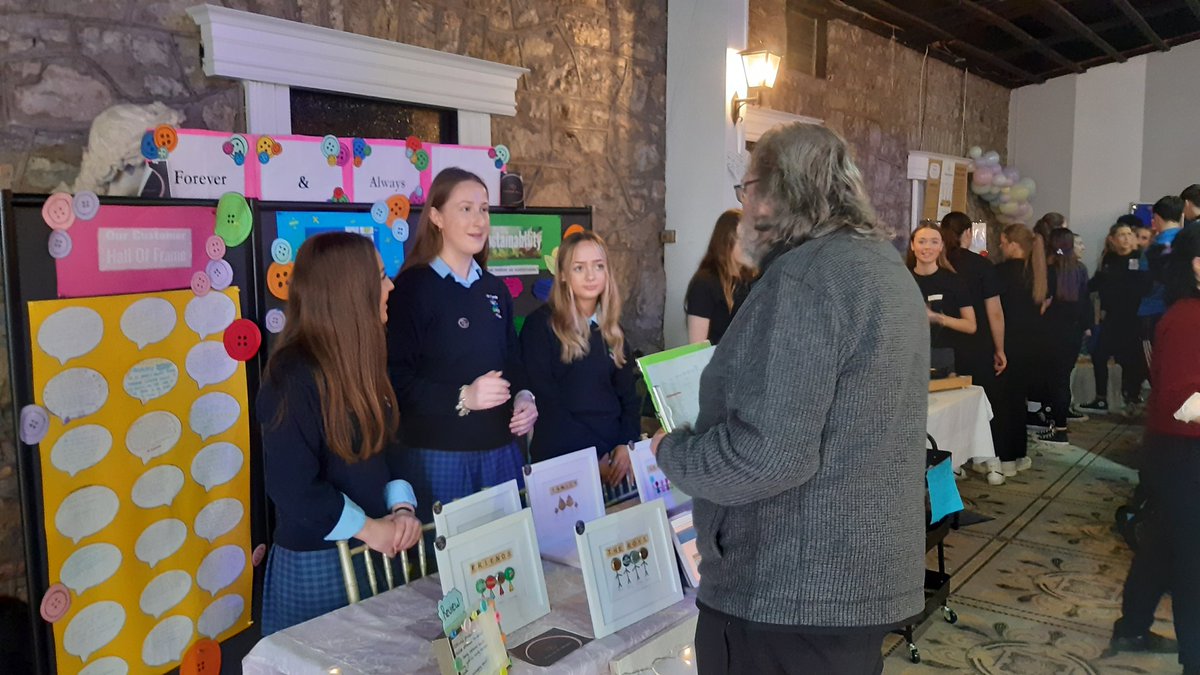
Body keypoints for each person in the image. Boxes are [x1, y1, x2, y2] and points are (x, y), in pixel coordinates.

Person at [652, 123, 928, 674]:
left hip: (787, 592)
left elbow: (768, 455)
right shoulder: (884, 268)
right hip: (852, 579)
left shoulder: (805, 279)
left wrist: (670, 451)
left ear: (776, 194)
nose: (744, 203)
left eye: (747, 188)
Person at [257, 232, 422, 635]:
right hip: (318, 561)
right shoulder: (290, 375)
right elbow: (293, 489)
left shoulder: (365, 357)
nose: (391, 286)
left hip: (376, 549)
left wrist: (402, 509)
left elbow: (393, 445)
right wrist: (370, 528)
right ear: (350, 292)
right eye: (381, 277)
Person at [387, 168, 538, 520]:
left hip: (501, 453)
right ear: (436, 217)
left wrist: (525, 397)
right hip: (438, 458)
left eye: (484, 209)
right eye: (466, 208)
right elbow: (395, 379)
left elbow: (512, 361)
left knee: (506, 567)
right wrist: (463, 397)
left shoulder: (494, 289)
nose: (479, 220)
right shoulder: (411, 289)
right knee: (445, 573)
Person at [1110, 223, 1200, 675]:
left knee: (1165, 546)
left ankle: (1132, 626)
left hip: (1176, 455)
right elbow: (1184, 402)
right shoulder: (1188, 318)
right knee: (1192, 563)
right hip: (1184, 454)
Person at [521, 231, 641, 485]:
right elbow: (546, 402)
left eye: (598, 266)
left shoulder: (612, 329)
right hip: (562, 461)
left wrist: (625, 445)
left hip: (614, 462)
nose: (590, 276)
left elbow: (629, 398)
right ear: (562, 275)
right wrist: (593, 456)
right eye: (579, 268)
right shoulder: (539, 326)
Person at [1079, 221, 1149, 414]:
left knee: (1130, 360)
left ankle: (1131, 398)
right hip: (1112, 318)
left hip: (1134, 319)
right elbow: (1096, 282)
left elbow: (1144, 287)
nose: (1126, 238)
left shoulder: (1140, 258)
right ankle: (1101, 399)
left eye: (1129, 234)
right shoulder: (1108, 259)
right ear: (1112, 239)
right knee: (1099, 354)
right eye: (1121, 235)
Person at [995, 223, 1048, 475]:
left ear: (1013, 244)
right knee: (1018, 401)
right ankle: (1017, 454)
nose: (1000, 246)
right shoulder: (1037, 273)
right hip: (1031, 345)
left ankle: (1003, 457)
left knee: (1002, 402)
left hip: (1005, 343)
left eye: (1003, 242)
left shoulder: (999, 273)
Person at [1037, 228, 1091, 445]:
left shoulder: (1049, 271)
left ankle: (1058, 429)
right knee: (1062, 379)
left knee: (1054, 380)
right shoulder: (1080, 270)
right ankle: (1060, 424)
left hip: (1051, 332)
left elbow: (1042, 303)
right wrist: (1087, 327)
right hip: (1073, 333)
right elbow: (1086, 302)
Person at [685, 209, 758, 344]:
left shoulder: (752, 279)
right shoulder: (704, 283)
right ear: (726, 240)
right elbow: (696, 347)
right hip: (718, 362)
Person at [905, 223, 976, 355]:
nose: (927, 247)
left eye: (934, 242)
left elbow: (971, 326)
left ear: (941, 246)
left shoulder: (954, 281)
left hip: (943, 356)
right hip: (908, 353)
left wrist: (938, 318)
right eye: (921, 242)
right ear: (912, 245)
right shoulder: (902, 280)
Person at [1138, 196, 1185, 358]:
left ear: (1156, 217)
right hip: (1182, 311)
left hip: (1153, 310)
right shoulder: (1189, 241)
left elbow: (1144, 284)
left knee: (1155, 366)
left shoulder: (1154, 248)